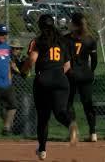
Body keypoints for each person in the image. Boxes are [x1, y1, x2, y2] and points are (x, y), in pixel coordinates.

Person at [21, 14, 78, 160]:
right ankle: (70, 124)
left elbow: (32, 59)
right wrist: (57, 75)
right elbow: (67, 65)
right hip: (61, 79)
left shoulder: (37, 41)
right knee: (60, 112)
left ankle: (42, 150)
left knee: (43, 117)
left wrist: (24, 70)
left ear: (40, 26)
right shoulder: (62, 41)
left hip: (43, 79)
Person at [65, 13, 98, 142]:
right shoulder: (90, 39)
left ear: (74, 25)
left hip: (71, 74)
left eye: (71, 22)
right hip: (85, 74)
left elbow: (64, 59)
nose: (69, 24)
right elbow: (95, 60)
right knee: (88, 103)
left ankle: (73, 130)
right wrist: (91, 71)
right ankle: (93, 133)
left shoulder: (66, 39)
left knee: (69, 103)